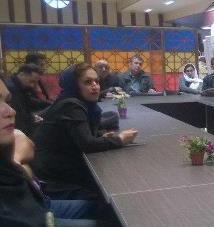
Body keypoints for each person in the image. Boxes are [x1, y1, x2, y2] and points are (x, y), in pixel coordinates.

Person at [0, 78, 130, 227]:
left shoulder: (7, 170)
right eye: (88, 81)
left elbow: (42, 214)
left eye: (6, 101)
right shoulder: (70, 106)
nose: (10, 111)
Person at [32, 64, 139, 201]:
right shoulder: (71, 105)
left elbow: (81, 135)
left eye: (97, 81)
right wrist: (120, 139)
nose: (95, 86)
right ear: (74, 85)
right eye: (88, 82)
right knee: (104, 197)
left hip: (59, 170)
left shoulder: (75, 102)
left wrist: (98, 136)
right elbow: (87, 144)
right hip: (54, 180)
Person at [5, 64, 51, 137]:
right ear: (22, 74)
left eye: (35, 83)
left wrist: (50, 104)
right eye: (31, 81)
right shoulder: (12, 89)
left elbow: (30, 101)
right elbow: (21, 118)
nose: (32, 85)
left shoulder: (20, 86)